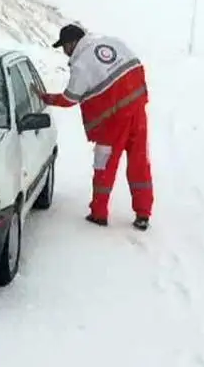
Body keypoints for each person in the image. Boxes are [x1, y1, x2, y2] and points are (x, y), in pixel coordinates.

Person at [36, 23, 153, 230]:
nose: (65, 52)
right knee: (139, 162)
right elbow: (137, 65)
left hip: (112, 121)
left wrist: (46, 98)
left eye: (64, 46)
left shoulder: (82, 64)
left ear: (72, 43)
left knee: (104, 166)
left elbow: (69, 98)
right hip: (137, 111)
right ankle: (143, 213)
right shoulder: (113, 42)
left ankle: (99, 213)